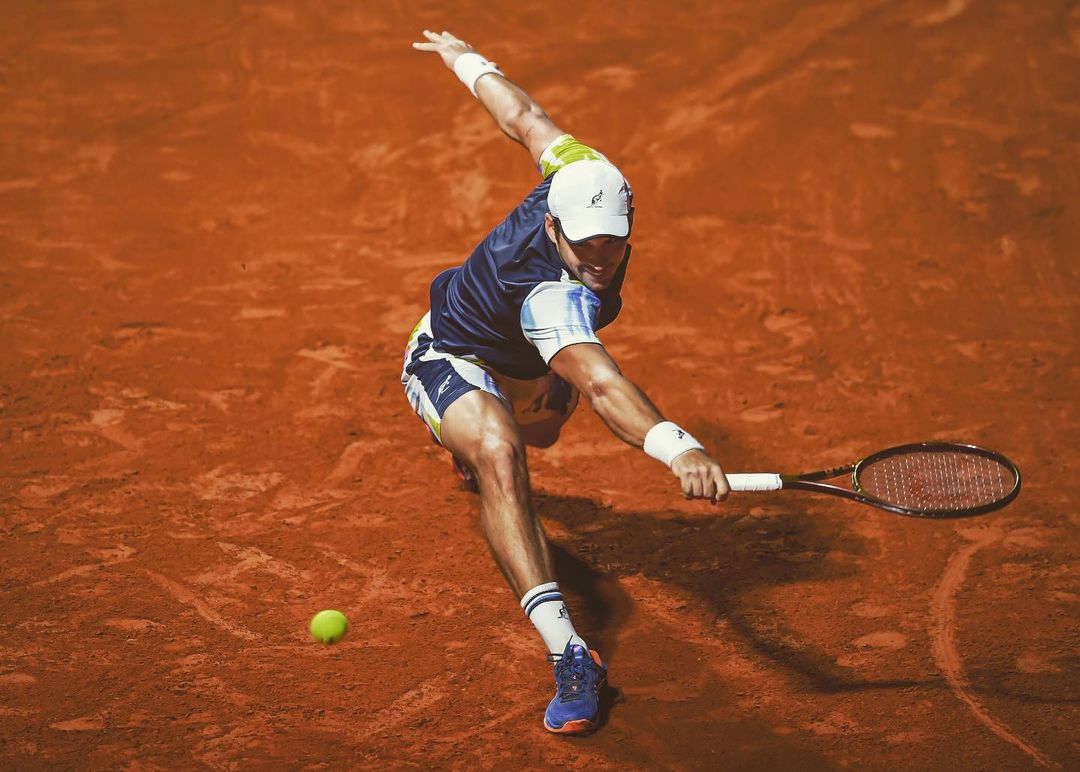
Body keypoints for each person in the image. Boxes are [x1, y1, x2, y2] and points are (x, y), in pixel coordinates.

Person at [405, 30, 730, 735]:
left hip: (530, 372)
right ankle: (569, 650)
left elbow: (523, 117)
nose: (603, 261)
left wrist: (468, 61)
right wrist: (679, 448)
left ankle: (510, 421)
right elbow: (608, 386)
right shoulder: (553, 297)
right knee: (498, 452)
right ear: (552, 224)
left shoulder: (581, 169)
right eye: (586, 249)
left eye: (614, 245)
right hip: (451, 354)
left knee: (540, 431)